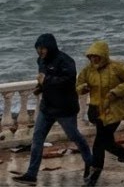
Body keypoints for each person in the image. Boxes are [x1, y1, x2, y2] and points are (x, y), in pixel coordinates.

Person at [14, 34, 94, 185]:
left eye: (42, 48)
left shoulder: (66, 61)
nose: (40, 51)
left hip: (65, 108)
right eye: (38, 49)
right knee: (37, 139)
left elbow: (69, 81)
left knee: (74, 136)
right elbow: (44, 80)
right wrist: (40, 87)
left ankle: (90, 162)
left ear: (50, 47)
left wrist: (47, 81)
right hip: (47, 107)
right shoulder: (41, 61)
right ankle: (31, 174)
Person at [76, 40, 124, 186]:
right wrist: (83, 88)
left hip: (114, 110)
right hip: (96, 111)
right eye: (91, 56)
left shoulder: (116, 67)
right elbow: (78, 85)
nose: (94, 59)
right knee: (107, 142)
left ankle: (94, 177)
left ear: (103, 55)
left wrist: (116, 92)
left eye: (96, 56)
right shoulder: (88, 70)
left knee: (99, 142)